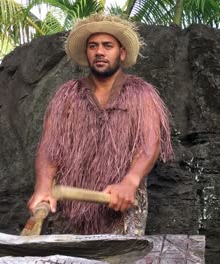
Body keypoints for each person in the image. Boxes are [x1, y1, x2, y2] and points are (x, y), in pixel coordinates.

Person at [27, 14, 173, 236]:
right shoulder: (67, 95)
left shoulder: (142, 94)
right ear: (87, 53)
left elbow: (149, 144)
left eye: (108, 46)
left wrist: (130, 182)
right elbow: (48, 148)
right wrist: (44, 185)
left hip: (120, 208)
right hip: (70, 210)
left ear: (121, 53)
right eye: (93, 46)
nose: (100, 52)